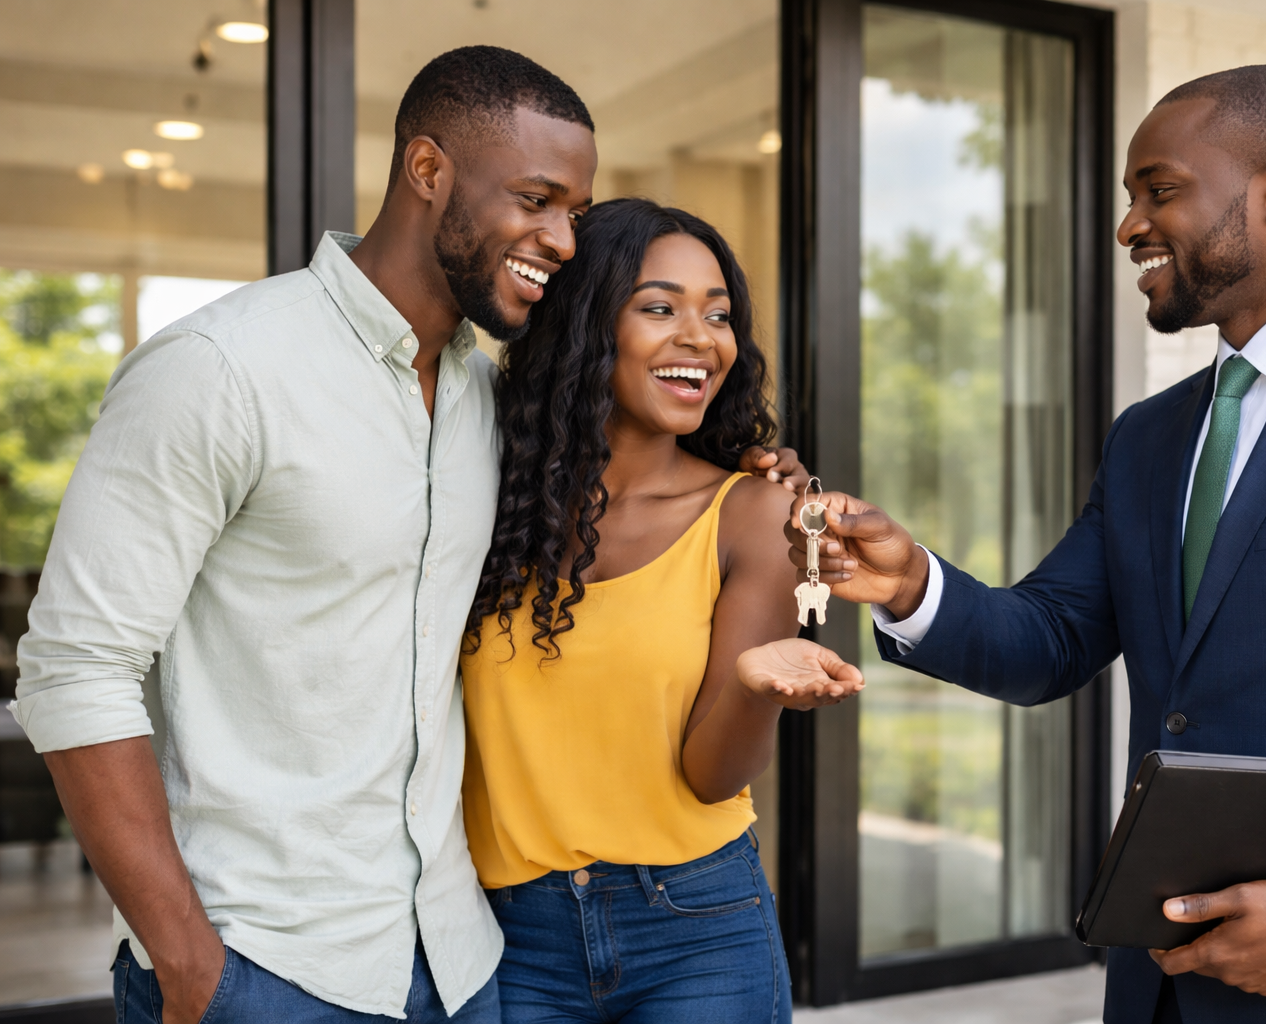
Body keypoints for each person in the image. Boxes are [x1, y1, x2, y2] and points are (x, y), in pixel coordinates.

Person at [12, 47, 806, 1024]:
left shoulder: (491, 405)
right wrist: (189, 965)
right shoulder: (220, 370)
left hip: (465, 963)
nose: (563, 238)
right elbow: (73, 668)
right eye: (537, 198)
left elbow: (630, 467)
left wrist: (765, 480)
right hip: (267, 966)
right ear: (428, 172)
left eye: (575, 209)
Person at [772, 65, 1266, 1023]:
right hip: (1160, 991)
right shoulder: (1150, 434)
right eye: (1131, 197)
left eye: (1160, 191)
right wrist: (911, 583)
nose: (1130, 224)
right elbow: (1050, 640)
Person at [460, 197, 861, 1024]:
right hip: (506, 933)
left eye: (719, 316)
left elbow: (711, 776)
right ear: (584, 323)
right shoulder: (480, 495)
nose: (701, 337)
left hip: (695, 930)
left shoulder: (752, 515)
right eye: (659, 307)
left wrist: (755, 687)